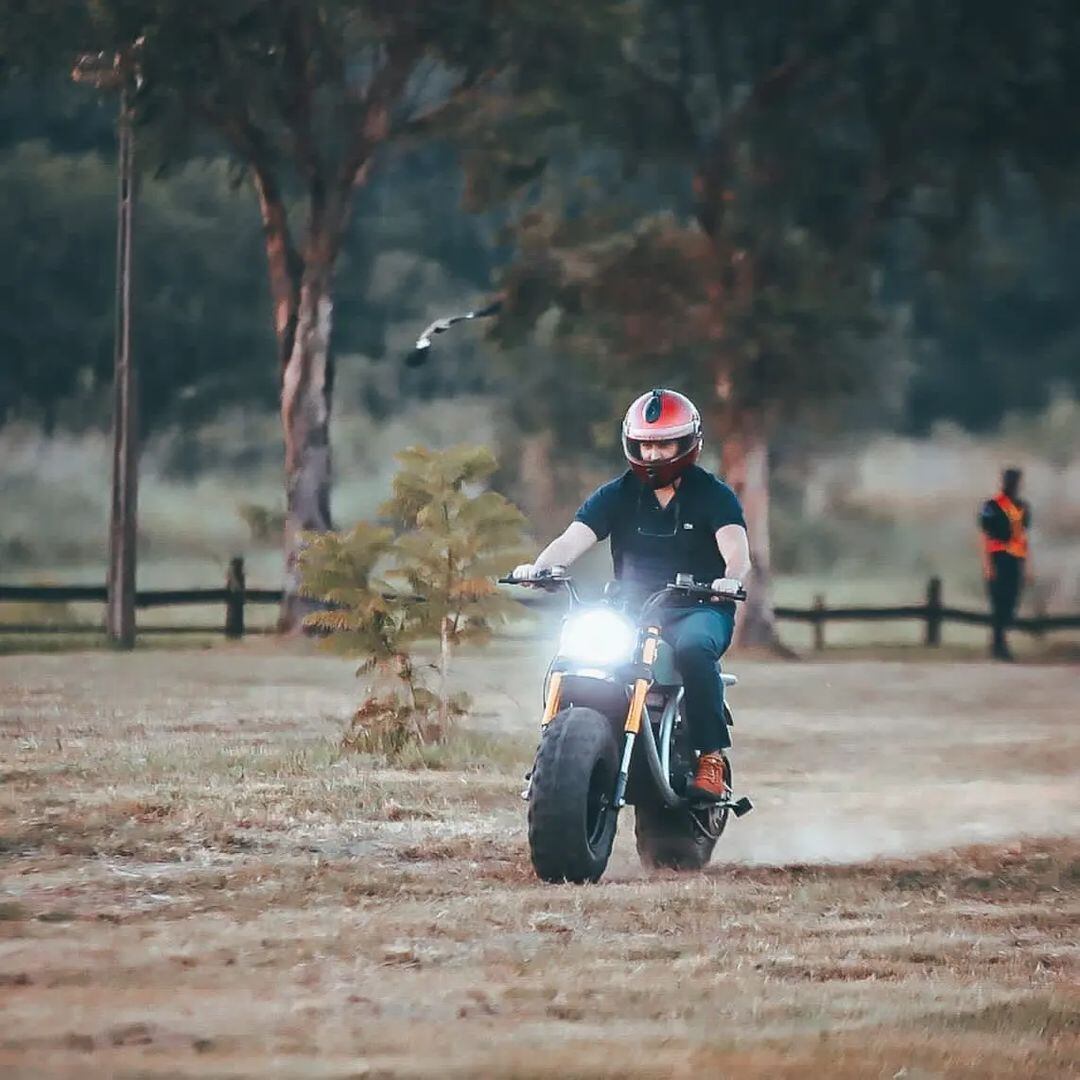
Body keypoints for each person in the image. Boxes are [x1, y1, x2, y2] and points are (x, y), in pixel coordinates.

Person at [511, 388, 751, 801]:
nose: (654, 454)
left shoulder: (714, 495)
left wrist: (729, 579)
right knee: (571, 656)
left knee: (695, 650)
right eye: (646, 444)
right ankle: (551, 756)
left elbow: (737, 551)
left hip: (698, 607)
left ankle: (710, 757)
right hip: (631, 609)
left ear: (687, 444)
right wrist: (541, 566)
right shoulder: (617, 493)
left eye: (664, 444)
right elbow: (572, 539)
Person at [978, 467, 1031, 661]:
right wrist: (987, 564)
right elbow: (985, 535)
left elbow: (1022, 537)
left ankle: (1000, 642)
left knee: (1010, 602)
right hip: (997, 558)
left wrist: (1027, 566)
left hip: (1014, 560)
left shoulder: (1022, 507)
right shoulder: (992, 506)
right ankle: (998, 645)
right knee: (997, 603)